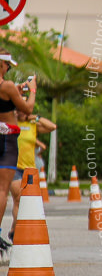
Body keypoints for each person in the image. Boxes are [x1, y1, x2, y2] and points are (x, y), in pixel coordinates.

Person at [0, 52, 35, 254]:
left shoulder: (8, 88)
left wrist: (17, 90)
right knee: (3, 189)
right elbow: (27, 109)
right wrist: (32, 91)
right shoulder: (7, 86)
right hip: (7, 138)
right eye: (7, 66)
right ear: (3, 65)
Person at [9, 92, 56, 240]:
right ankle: (18, 232)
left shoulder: (32, 125)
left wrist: (36, 117)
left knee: (27, 202)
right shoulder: (11, 123)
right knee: (19, 198)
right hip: (14, 166)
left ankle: (14, 227)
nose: (22, 112)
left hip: (30, 169)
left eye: (25, 109)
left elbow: (52, 126)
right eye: (19, 108)